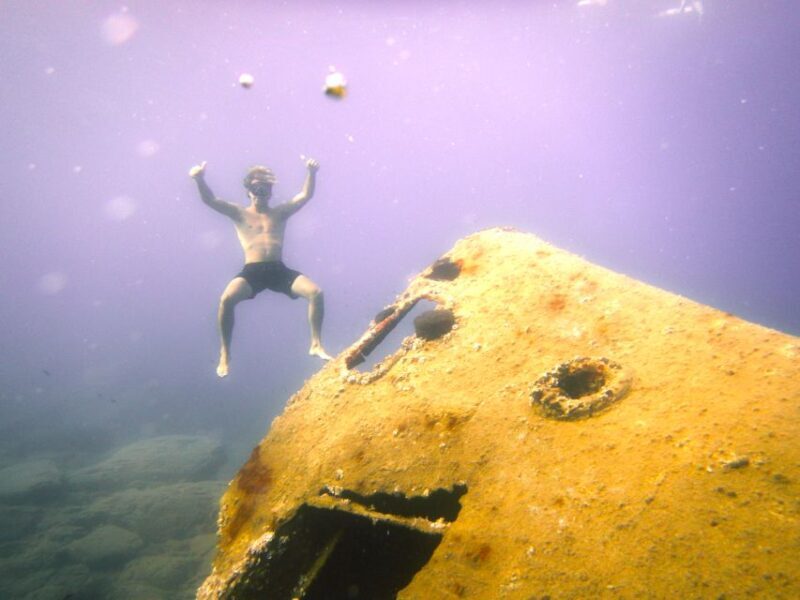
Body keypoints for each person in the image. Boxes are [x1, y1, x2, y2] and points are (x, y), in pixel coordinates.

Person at [189, 158, 333, 377]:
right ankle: (225, 354)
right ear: (248, 190)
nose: (261, 191)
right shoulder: (238, 212)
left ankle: (316, 344)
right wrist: (199, 178)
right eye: (256, 187)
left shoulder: (280, 212)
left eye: (265, 187)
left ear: (271, 190)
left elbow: (304, 196)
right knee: (226, 299)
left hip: (278, 270)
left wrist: (311, 173)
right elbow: (210, 200)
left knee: (316, 293)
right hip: (252, 271)